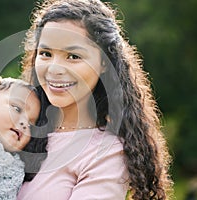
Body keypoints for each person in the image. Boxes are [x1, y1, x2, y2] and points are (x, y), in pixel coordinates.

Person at [17, 0, 174, 199]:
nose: (54, 69)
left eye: (73, 56)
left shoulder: (105, 153)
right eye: (46, 53)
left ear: (104, 63)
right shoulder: (18, 128)